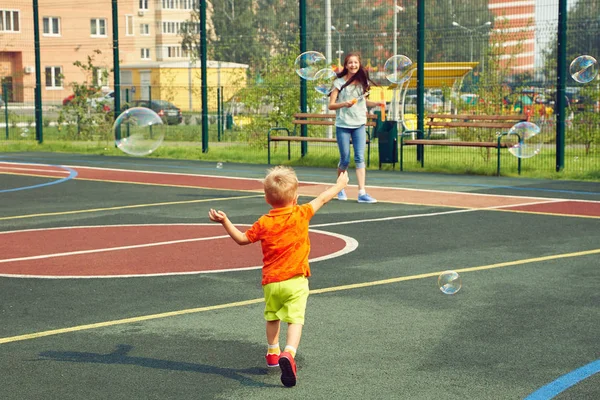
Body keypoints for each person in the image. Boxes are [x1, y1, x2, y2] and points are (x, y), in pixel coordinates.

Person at [208, 166, 349, 388]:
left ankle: (273, 353)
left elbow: (242, 239)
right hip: (296, 280)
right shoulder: (301, 213)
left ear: (266, 198)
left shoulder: (264, 222)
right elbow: (323, 198)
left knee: (272, 316)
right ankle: (288, 353)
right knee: (295, 319)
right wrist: (340, 185)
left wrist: (225, 221)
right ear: (296, 197)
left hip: (272, 282)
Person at [328, 52, 384, 204]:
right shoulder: (339, 83)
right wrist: (343, 104)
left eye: (356, 63)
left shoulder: (362, 82)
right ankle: (339, 188)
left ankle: (362, 192)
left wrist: (378, 104)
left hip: (359, 124)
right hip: (343, 125)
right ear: (346, 65)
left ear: (359, 65)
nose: (353, 65)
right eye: (350, 63)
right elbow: (331, 105)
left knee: (360, 158)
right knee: (345, 159)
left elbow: (364, 102)